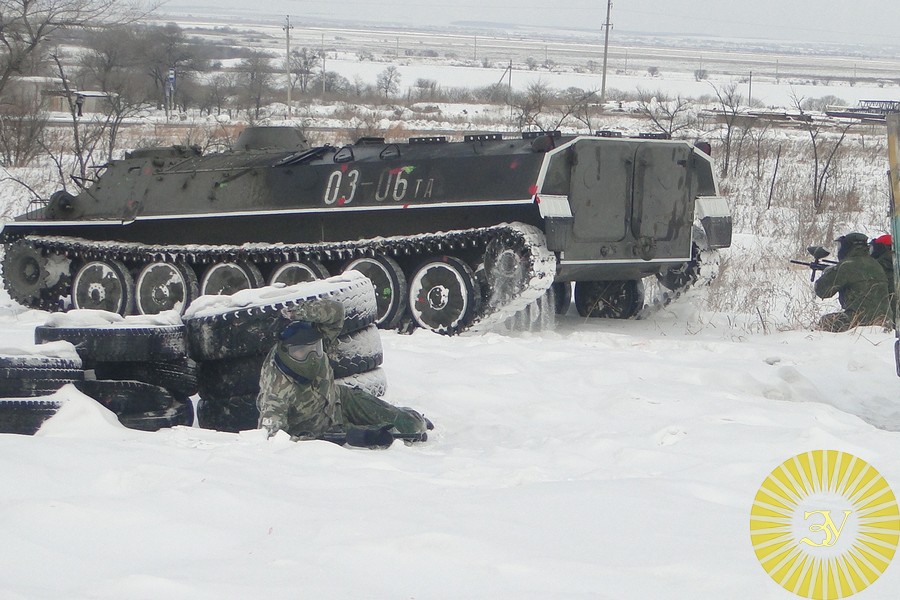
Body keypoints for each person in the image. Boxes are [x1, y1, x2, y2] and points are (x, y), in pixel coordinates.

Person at [256, 297, 430, 448]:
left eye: (315, 349)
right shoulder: (276, 389)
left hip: (339, 400)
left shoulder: (319, 338)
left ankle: (413, 418)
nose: (312, 357)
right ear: (287, 352)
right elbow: (272, 440)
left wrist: (298, 312)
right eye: (302, 352)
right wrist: (330, 439)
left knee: (409, 424)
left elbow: (336, 311)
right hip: (322, 431)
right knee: (379, 436)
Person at [814, 232, 891, 332]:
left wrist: (828, 273)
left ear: (848, 247)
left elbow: (822, 291)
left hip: (861, 321)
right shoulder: (876, 264)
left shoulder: (846, 265)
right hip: (886, 321)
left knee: (826, 321)